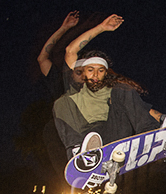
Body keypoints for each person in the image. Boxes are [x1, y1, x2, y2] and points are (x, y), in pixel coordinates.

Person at [54, 17, 166, 160]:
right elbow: (70, 50)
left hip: (113, 131)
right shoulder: (76, 87)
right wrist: (101, 27)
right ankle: (79, 152)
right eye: (90, 70)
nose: (95, 75)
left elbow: (142, 109)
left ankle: (150, 134)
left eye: (100, 70)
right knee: (61, 102)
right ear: (83, 72)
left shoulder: (114, 90)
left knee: (122, 88)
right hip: (85, 138)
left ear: (105, 73)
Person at [37, 12, 124, 175]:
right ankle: (75, 167)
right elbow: (44, 57)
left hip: (98, 127)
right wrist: (64, 28)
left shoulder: (94, 85)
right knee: (50, 128)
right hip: (70, 130)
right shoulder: (60, 79)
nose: (84, 76)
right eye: (78, 71)